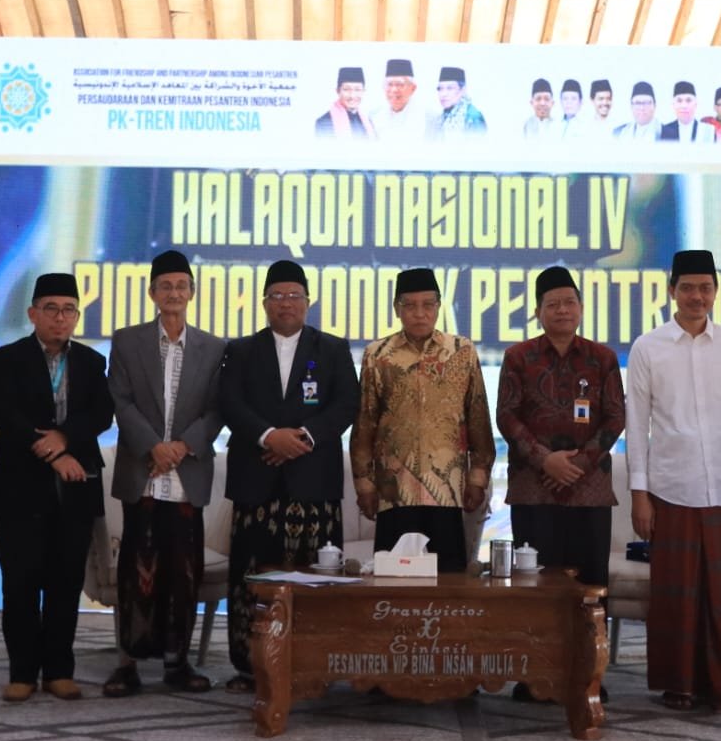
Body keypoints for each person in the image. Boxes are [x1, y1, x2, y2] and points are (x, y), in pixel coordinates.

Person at [626, 250, 721, 712]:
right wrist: (640, 495)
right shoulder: (648, 347)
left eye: (705, 288)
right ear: (672, 291)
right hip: (670, 487)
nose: (696, 297)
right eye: (687, 288)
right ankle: (679, 683)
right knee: (676, 596)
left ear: (716, 292)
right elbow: (636, 424)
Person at [220, 259, 360, 692]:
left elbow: (347, 404)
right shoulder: (241, 350)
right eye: (277, 296)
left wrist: (303, 437)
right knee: (253, 577)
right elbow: (229, 403)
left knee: (314, 576)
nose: (286, 304)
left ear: (307, 302)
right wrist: (269, 436)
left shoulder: (332, 348)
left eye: (294, 296)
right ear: (264, 303)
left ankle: (314, 664)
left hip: (312, 482)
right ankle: (249, 666)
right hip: (256, 480)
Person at [496, 266, 625, 701]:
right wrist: (545, 460)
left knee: (589, 585)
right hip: (534, 489)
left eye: (569, 302)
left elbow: (616, 416)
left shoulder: (602, 358)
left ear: (581, 308)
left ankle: (589, 675)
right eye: (553, 304)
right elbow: (507, 416)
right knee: (536, 584)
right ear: (538, 312)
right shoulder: (518, 357)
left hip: (589, 491)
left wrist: (580, 463)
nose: (562, 310)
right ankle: (535, 676)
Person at [0, 273, 113, 703]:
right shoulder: (6, 358)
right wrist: (55, 454)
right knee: (19, 583)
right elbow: (5, 414)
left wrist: (66, 438)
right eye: (51, 309)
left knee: (65, 581)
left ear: (77, 316)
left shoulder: (91, 362)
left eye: (69, 309)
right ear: (33, 313)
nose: (60, 317)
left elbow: (101, 414)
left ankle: (59, 670)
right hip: (19, 487)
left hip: (75, 490)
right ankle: (22, 672)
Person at [104, 250, 226, 697]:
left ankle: (178, 662)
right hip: (143, 470)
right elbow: (119, 400)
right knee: (137, 571)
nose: (173, 293)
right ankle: (128, 663)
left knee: (183, 572)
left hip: (187, 473)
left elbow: (217, 409)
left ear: (192, 292)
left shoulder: (214, 348)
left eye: (181, 286)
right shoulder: (127, 341)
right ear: (152, 292)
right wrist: (153, 446)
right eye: (165, 286)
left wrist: (181, 447)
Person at [351, 268, 493, 573]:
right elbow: (364, 424)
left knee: (448, 582)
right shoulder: (378, 355)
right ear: (397, 308)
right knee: (392, 579)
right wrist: (364, 485)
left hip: (447, 491)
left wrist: (477, 479)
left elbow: (478, 419)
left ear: (439, 307)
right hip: (394, 492)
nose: (419, 313)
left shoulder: (461, 352)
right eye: (410, 305)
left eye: (428, 304)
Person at [314, 66, 376, 139]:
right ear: (338, 91)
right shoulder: (324, 122)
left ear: (363, 91)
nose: (352, 96)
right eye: (346, 89)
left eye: (357, 89)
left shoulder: (368, 122)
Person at [371, 58, 425, 141]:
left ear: (413, 88)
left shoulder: (427, 119)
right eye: (389, 84)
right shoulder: (373, 117)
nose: (394, 90)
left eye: (399, 85)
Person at [433, 66, 487, 139]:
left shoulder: (473, 117)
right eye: (440, 89)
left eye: (450, 88)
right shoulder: (441, 117)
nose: (443, 94)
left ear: (462, 90)